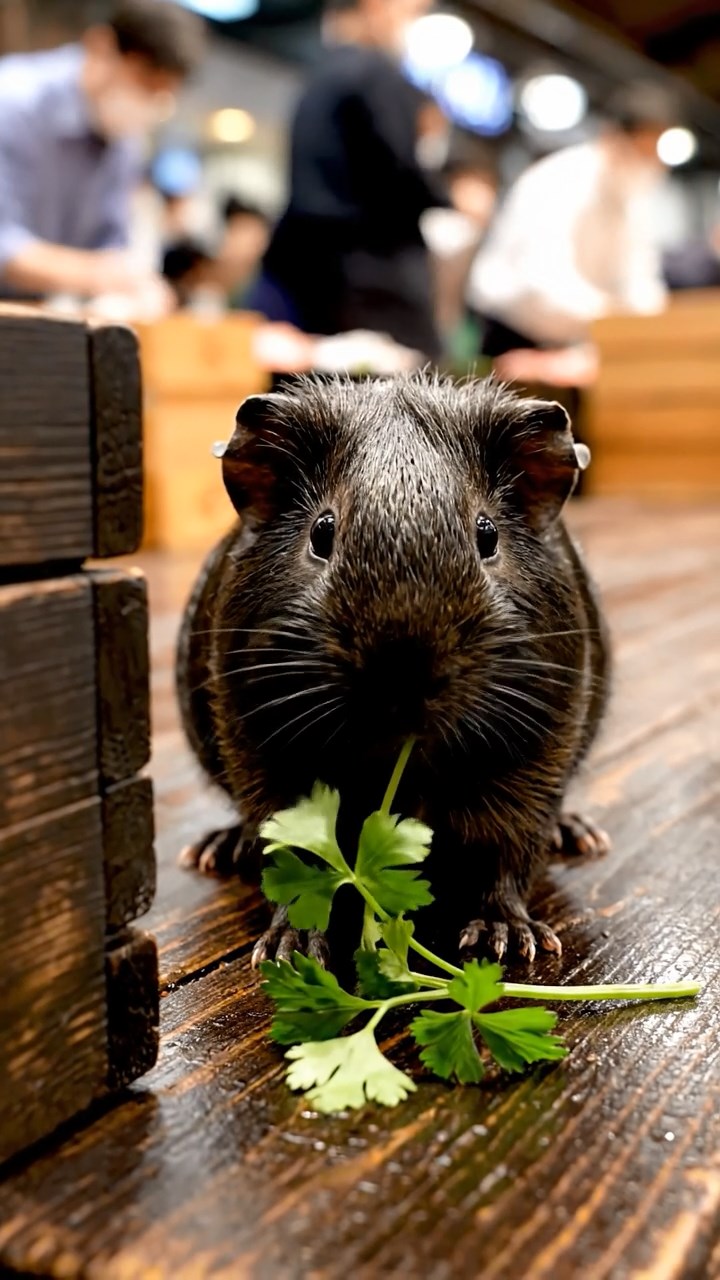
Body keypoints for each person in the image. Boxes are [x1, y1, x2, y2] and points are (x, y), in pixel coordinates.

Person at [249, 0, 448, 359]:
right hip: (372, 280)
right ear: (378, 6)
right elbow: (400, 173)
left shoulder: (318, 76)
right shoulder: (376, 75)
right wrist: (450, 200)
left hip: (311, 278)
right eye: (411, 12)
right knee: (420, 400)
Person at [0, 0, 205, 302]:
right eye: (145, 83)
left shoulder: (124, 138)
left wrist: (134, 284)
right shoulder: (13, 102)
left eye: (163, 93)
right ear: (102, 46)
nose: (150, 103)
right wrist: (104, 275)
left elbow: (110, 242)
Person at [467, 84, 676, 368]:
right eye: (639, 152)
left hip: (580, 343)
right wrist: (615, 314)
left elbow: (640, 278)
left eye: (653, 157)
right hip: (515, 336)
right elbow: (544, 279)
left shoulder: (633, 200)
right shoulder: (560, 179)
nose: (646, 165)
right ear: (611, 138)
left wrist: (654, 325)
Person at [217, 196, 270, 309]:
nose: (237, 242)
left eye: (245, 235)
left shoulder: (268, 298)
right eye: (234, 231)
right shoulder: (197, 275)